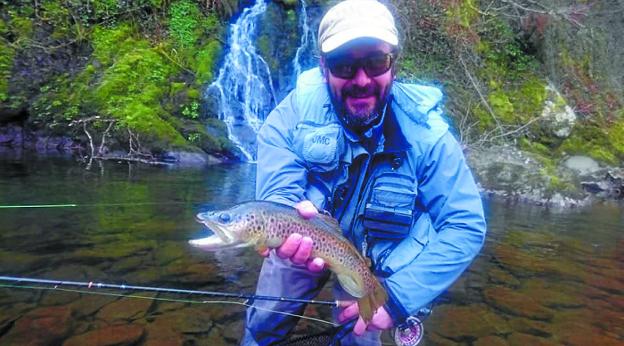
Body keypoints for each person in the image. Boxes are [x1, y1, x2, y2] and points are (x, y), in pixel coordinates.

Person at [243, 0, 487, 344]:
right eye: (344, 65)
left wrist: (400, 299)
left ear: (394, 66)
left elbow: (465, 225)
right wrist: (287, 223)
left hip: (377, 255)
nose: (362, 80)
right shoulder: (288, 119)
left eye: (376, 62)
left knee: (360, 336)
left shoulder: (428, 137)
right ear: (323, 66)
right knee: (265, 323)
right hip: (303, 239)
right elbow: (277, 197)